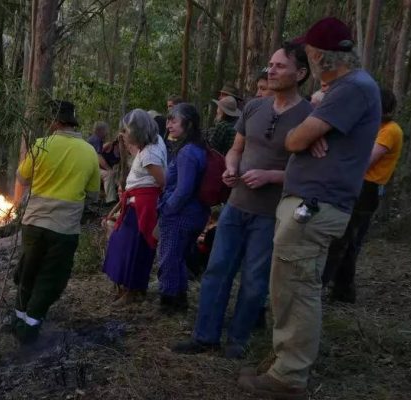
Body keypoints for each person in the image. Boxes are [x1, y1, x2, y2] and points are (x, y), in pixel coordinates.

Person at [237, 18, 382, 399]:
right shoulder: (344, 89)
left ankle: (289, 376)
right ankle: (284, 359)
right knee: (287, 286)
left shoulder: (353, 89)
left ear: (318, 57)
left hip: (316, 206)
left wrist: (306, 135)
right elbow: (302, 133)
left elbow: (295, 137)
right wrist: (313, 124)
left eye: (310, 53)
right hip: (310, 203)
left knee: (298, 289)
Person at [174, 42, 312, 359]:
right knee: (217, 270)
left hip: (270, 213)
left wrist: (271, 176)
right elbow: (237, 148)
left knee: (254, 280)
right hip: (235, 206)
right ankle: (205, 336)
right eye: (271, 64)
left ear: (301, 73)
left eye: (280, 66)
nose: (272, 70)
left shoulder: (309, 117)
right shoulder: (253, 107)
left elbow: (309, 172)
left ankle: (238, 340)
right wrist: (231, 167)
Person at [9, 100, 101, 345]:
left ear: (55, 122)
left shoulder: (42, 144)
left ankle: (19, 319)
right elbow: (93, 194)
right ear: (73, 123)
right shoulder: (89, 152)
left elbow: (21, 177)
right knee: (51, 277)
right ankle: (30, 325)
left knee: (28, 271)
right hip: (64, 228)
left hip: (34, 223)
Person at [322, 88, 403, 303]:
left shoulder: (390, 130)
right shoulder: (371, 126)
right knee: (344, 240)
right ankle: (341, 290)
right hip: (355, 184)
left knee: (344, 240)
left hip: (367, 188)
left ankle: (331, 288)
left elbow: (366, 160)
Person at [102, 109, 167, 305]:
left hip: (143, 207)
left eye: (128, 131)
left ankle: (132, 289)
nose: (126, 135)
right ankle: (128, 287)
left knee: (134, 247)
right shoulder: (154, 143)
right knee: (123, 244)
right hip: (136, 203)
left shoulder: (150, 154)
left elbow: (162, 182)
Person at [156, 103, 210, 314]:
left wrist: (167, 209)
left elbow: (184, 189)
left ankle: (170, 300)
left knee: (169, 256)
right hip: (195, 213)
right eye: (168, 120)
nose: (168, 124)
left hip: (181, 215)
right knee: (178, 256)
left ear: (188, 124)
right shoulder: (197, 148)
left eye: (173, 120)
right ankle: (178, 299)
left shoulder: (187, 152)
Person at [88, 121, 118, 205]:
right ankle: (110, 199)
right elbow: (98, 157)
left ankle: (102, 197)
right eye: (105, 130)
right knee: (108, 174)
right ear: (100, 130)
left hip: (90, 166)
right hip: (88, 168)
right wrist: (108, 169)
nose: (106, 133)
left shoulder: (96, 139)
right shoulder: (96, 140)